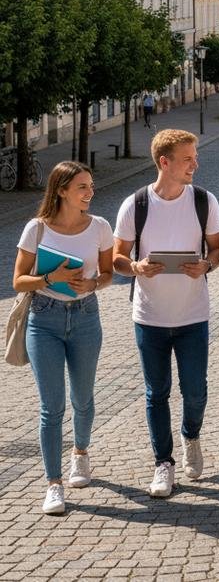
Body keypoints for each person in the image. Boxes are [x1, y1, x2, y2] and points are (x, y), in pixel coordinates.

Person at [113, 130, 219, 500]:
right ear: (165, 162)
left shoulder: (204, 202)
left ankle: (191, 435)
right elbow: (117, 258)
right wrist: (137, 266)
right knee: (155, 392)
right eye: (188, 159)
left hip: (193, 315)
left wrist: (207, 264)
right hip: (149, 316)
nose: (196, 164)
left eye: (194, 157)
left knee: (195, 392)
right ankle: (164, 462)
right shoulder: (136, 204)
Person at [13, 162, 114, 515]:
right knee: (51, 407)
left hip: (86, 316)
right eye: (82, 187)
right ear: (62, 191)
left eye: (91, 185)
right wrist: (48, 277)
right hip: (44, 319)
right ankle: (53, 484)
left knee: (83, 398)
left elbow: (108, 273)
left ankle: (81, 454)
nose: (90, 192)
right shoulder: (37, 230)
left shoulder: (100, 227)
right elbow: (17, 281)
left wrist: (93, 283)